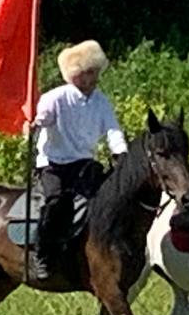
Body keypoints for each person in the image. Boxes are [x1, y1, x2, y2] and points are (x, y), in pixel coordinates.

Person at [28, 40, 128, 281]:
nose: (93, 78)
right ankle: (41, 253)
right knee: (55, 202)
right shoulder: (55, 98)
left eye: (95, 72)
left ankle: (96, 250)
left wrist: (121, 153)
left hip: (84, 161)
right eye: (88, 73)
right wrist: (36, 122)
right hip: (54, 163)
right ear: (75, 75)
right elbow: (44, 118)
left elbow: (112, 129)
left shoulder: (101, 101)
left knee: (103, 201)